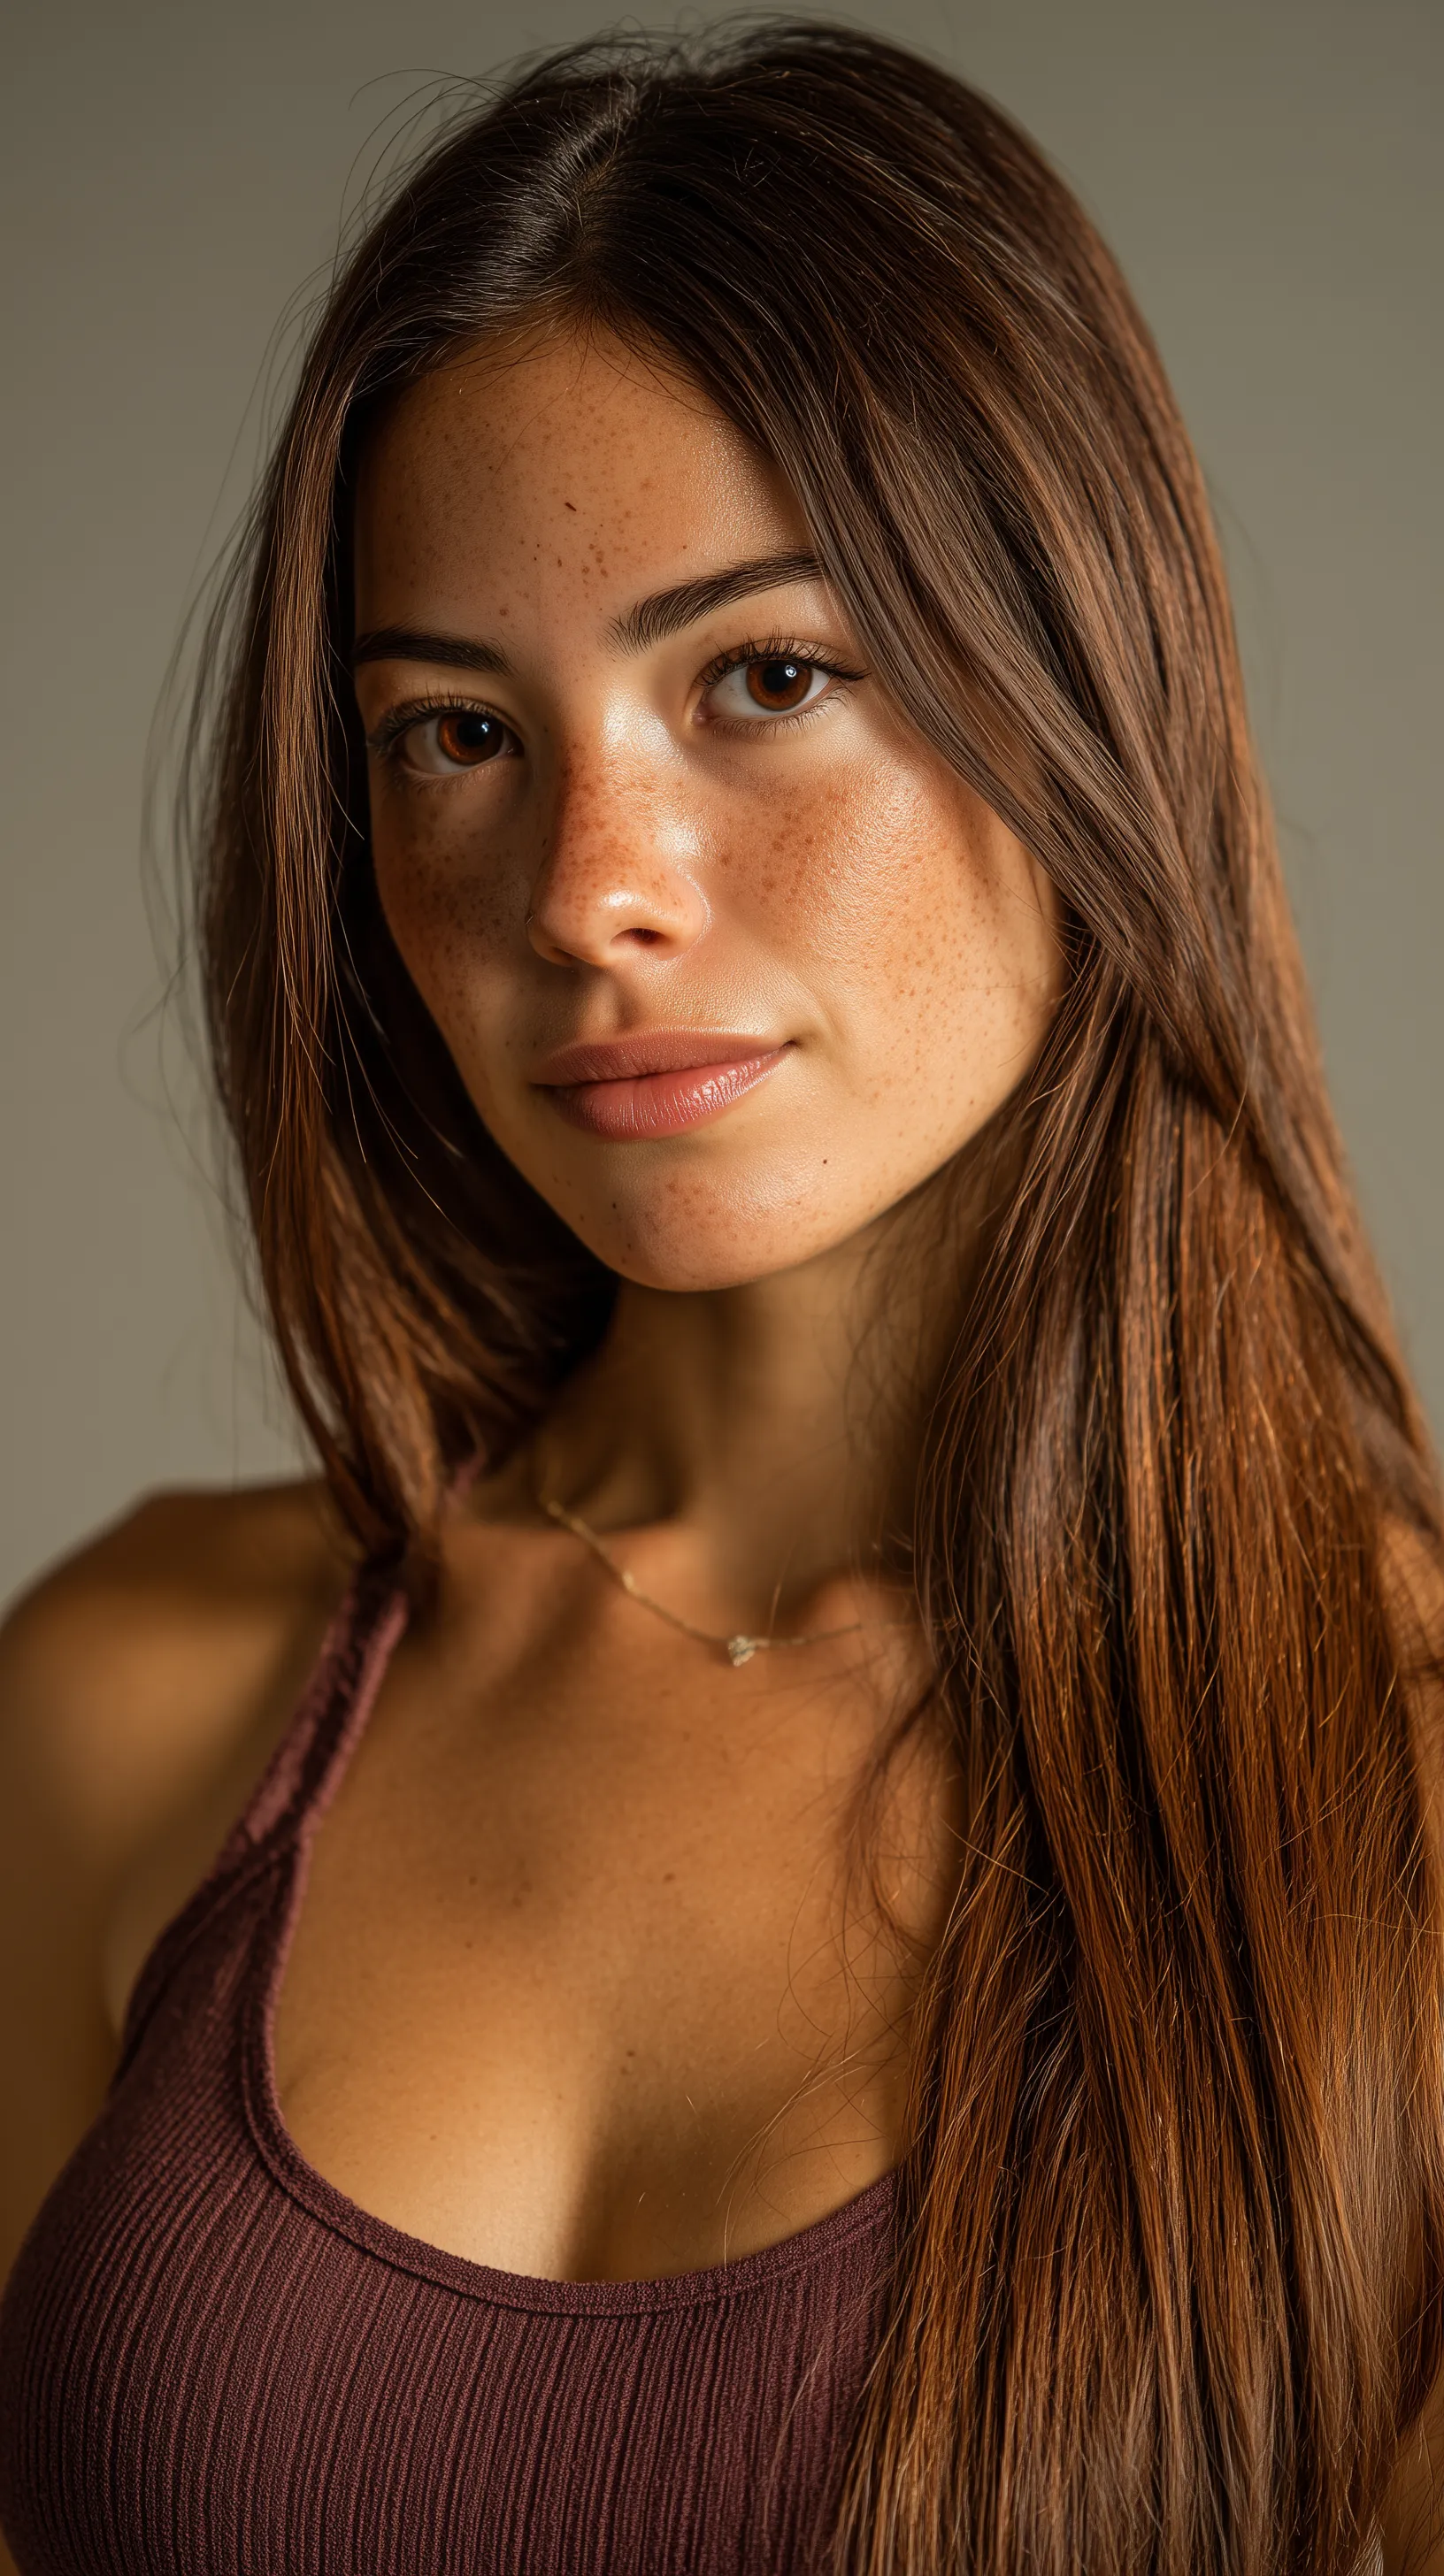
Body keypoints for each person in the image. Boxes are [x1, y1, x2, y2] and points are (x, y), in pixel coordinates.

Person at [1, 22, 1440, 2575]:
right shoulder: (131, 1703)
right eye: (456, 732)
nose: (585, 889)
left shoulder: (1392, 1825)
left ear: (1082, 694)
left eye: (761, 681)